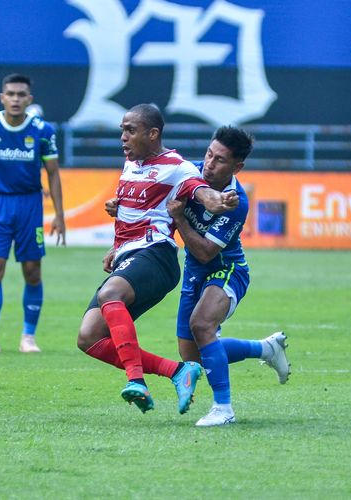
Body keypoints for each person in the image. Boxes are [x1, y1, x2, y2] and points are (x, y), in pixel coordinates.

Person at [76, 103, 239, 415]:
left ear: (153, 134)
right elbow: (135, 210)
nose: (123, 137)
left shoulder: (178, 166)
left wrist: (219, 201)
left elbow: (202, 192)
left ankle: (136, 381)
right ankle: (178, 372)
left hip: (157, 255)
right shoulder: (130, 163)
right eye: (122, 130)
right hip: (130, 255)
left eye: (130, 131)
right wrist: (116, 243)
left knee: (110, 294)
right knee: (89, 337)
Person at [166, 125, 290, 427]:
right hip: (194, 274)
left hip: (227, 270)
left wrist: (180, 217)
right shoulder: (189, 175)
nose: (209, 163)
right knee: (194, 359)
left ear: (237, 166)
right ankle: (264, 348)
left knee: (202, 324)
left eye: (219, 160)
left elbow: (206, 252)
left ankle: (224, 409)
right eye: (209, 154)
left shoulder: (236, 203)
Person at [0, 73, 66, 354]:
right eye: (10, 94)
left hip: (30, 206)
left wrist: (59, 214)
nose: (16, 99)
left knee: (32, 272)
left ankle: (28, 337)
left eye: (21, 95)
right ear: (2, 97)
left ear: (29, 99)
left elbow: (54, 174)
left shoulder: (42, 131)